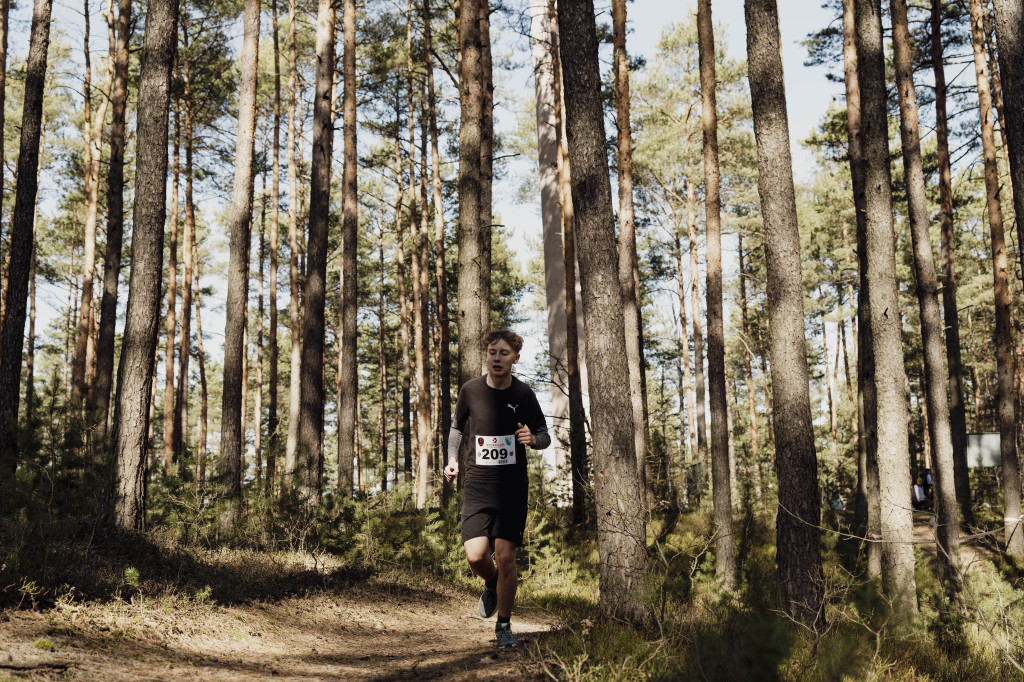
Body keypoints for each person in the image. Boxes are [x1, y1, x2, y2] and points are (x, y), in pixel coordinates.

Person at [443, 330, 550, 648]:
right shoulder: (470, 390)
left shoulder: (524, 394)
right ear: (486, 356)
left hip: (512, 487)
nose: (497, 358)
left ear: (515, 358)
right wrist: (452, 459)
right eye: (492, 352)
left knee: (506, 558)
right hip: (477, 484)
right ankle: (490, 583)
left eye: (504, 353)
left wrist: (533, 439)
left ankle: (503, 625)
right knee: (476, 556)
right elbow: (456, 428)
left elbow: (544, 434)